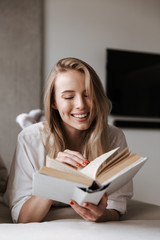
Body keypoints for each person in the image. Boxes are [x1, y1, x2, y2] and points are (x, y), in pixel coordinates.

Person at [4, 57, 133, 223]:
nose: (81, 105)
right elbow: (24, 218)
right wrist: (54, 178)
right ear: (54, 102)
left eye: (88, 95)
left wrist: (101, 215)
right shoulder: (29, 139)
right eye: (69, 97)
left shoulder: (114, 137)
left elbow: (116, 206)